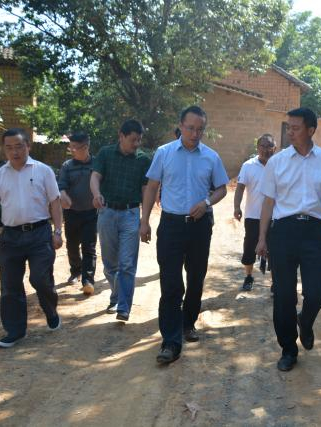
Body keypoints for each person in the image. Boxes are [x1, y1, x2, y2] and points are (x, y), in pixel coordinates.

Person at [255, 107, 321, 372]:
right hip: (283, 232)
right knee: (284, 295)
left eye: (295, 128)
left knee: (318, 291)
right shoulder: (277, 162)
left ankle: (305, 321)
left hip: (314, 232)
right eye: (288, 127)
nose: (290, 132)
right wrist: (262, 238)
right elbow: (268, 202)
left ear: (311, 130)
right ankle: (288, 349)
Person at [140, 105, 229, 365]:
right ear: (180, 126)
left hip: (200, 226)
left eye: (200, 129)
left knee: (196, 277)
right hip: (171, 225)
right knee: (170, 283)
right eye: (190, 128)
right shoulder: (164, 153)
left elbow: (222, 189)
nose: (195, 134)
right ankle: (170, 341)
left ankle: (188, 323)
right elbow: (152, 187)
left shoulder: (211, 157)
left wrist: (206, 202)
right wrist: (144, 221)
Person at [0, 128, 63, 348]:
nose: (14, 152)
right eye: (9, 148)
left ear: (28, 146)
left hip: (40, 234)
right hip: (11, 237)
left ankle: (51, 310)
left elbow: (55, 202)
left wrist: (57, 231)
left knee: (40, 279)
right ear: (4, 150)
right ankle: (15, 331)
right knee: (10, 285)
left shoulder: (43, 171)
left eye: (19, 146)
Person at [90, 119, 151, 322]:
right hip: (106, 213)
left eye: (139, 140)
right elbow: (95, 177)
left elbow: (146, 190)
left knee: (127, 264)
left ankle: (123, 307)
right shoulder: (106, 153)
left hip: (130, 214)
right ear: (121, 136)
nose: (136, 144)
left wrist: (145, 220)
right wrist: (96, 194)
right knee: (110, 265)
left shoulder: (143, 160)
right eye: (133, 140)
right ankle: (116, 295)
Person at [234, 134, 277, 291]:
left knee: (275, 250)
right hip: (253, 216)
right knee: (249, 248)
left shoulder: (279, 165)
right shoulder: (248, 166)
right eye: (262, 146)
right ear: (257, 148)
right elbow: (240, 187)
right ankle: (249, 276)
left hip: (275, 217)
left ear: (275, 148)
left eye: (269, 146)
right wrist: (237, 207)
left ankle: (275, 283)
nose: (266, 150)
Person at [58, 132, 97, 295]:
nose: (72, 150)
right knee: (72, 245)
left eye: (75, 147)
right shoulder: (67, 166)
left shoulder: (97, 163)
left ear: (86, 147)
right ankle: (75, 271)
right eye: (71, 147)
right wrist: (63, 195)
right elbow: (61, 186)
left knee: (89, 246)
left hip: (91, 212)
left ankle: (88, 280)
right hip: (72, 212)